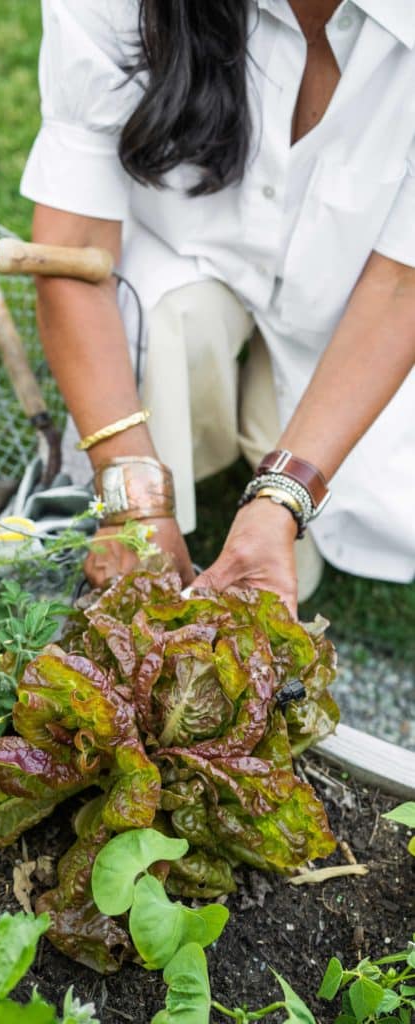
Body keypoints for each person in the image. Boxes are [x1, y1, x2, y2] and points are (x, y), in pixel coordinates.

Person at [20, 0, 415, 613]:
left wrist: (284, 497)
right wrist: (134, 496)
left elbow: (399, 288)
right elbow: (72, 247)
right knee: (169, 327)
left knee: (384, 505)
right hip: (185, 254)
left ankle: (265, 456)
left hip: (354, 295)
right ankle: (182, 454)